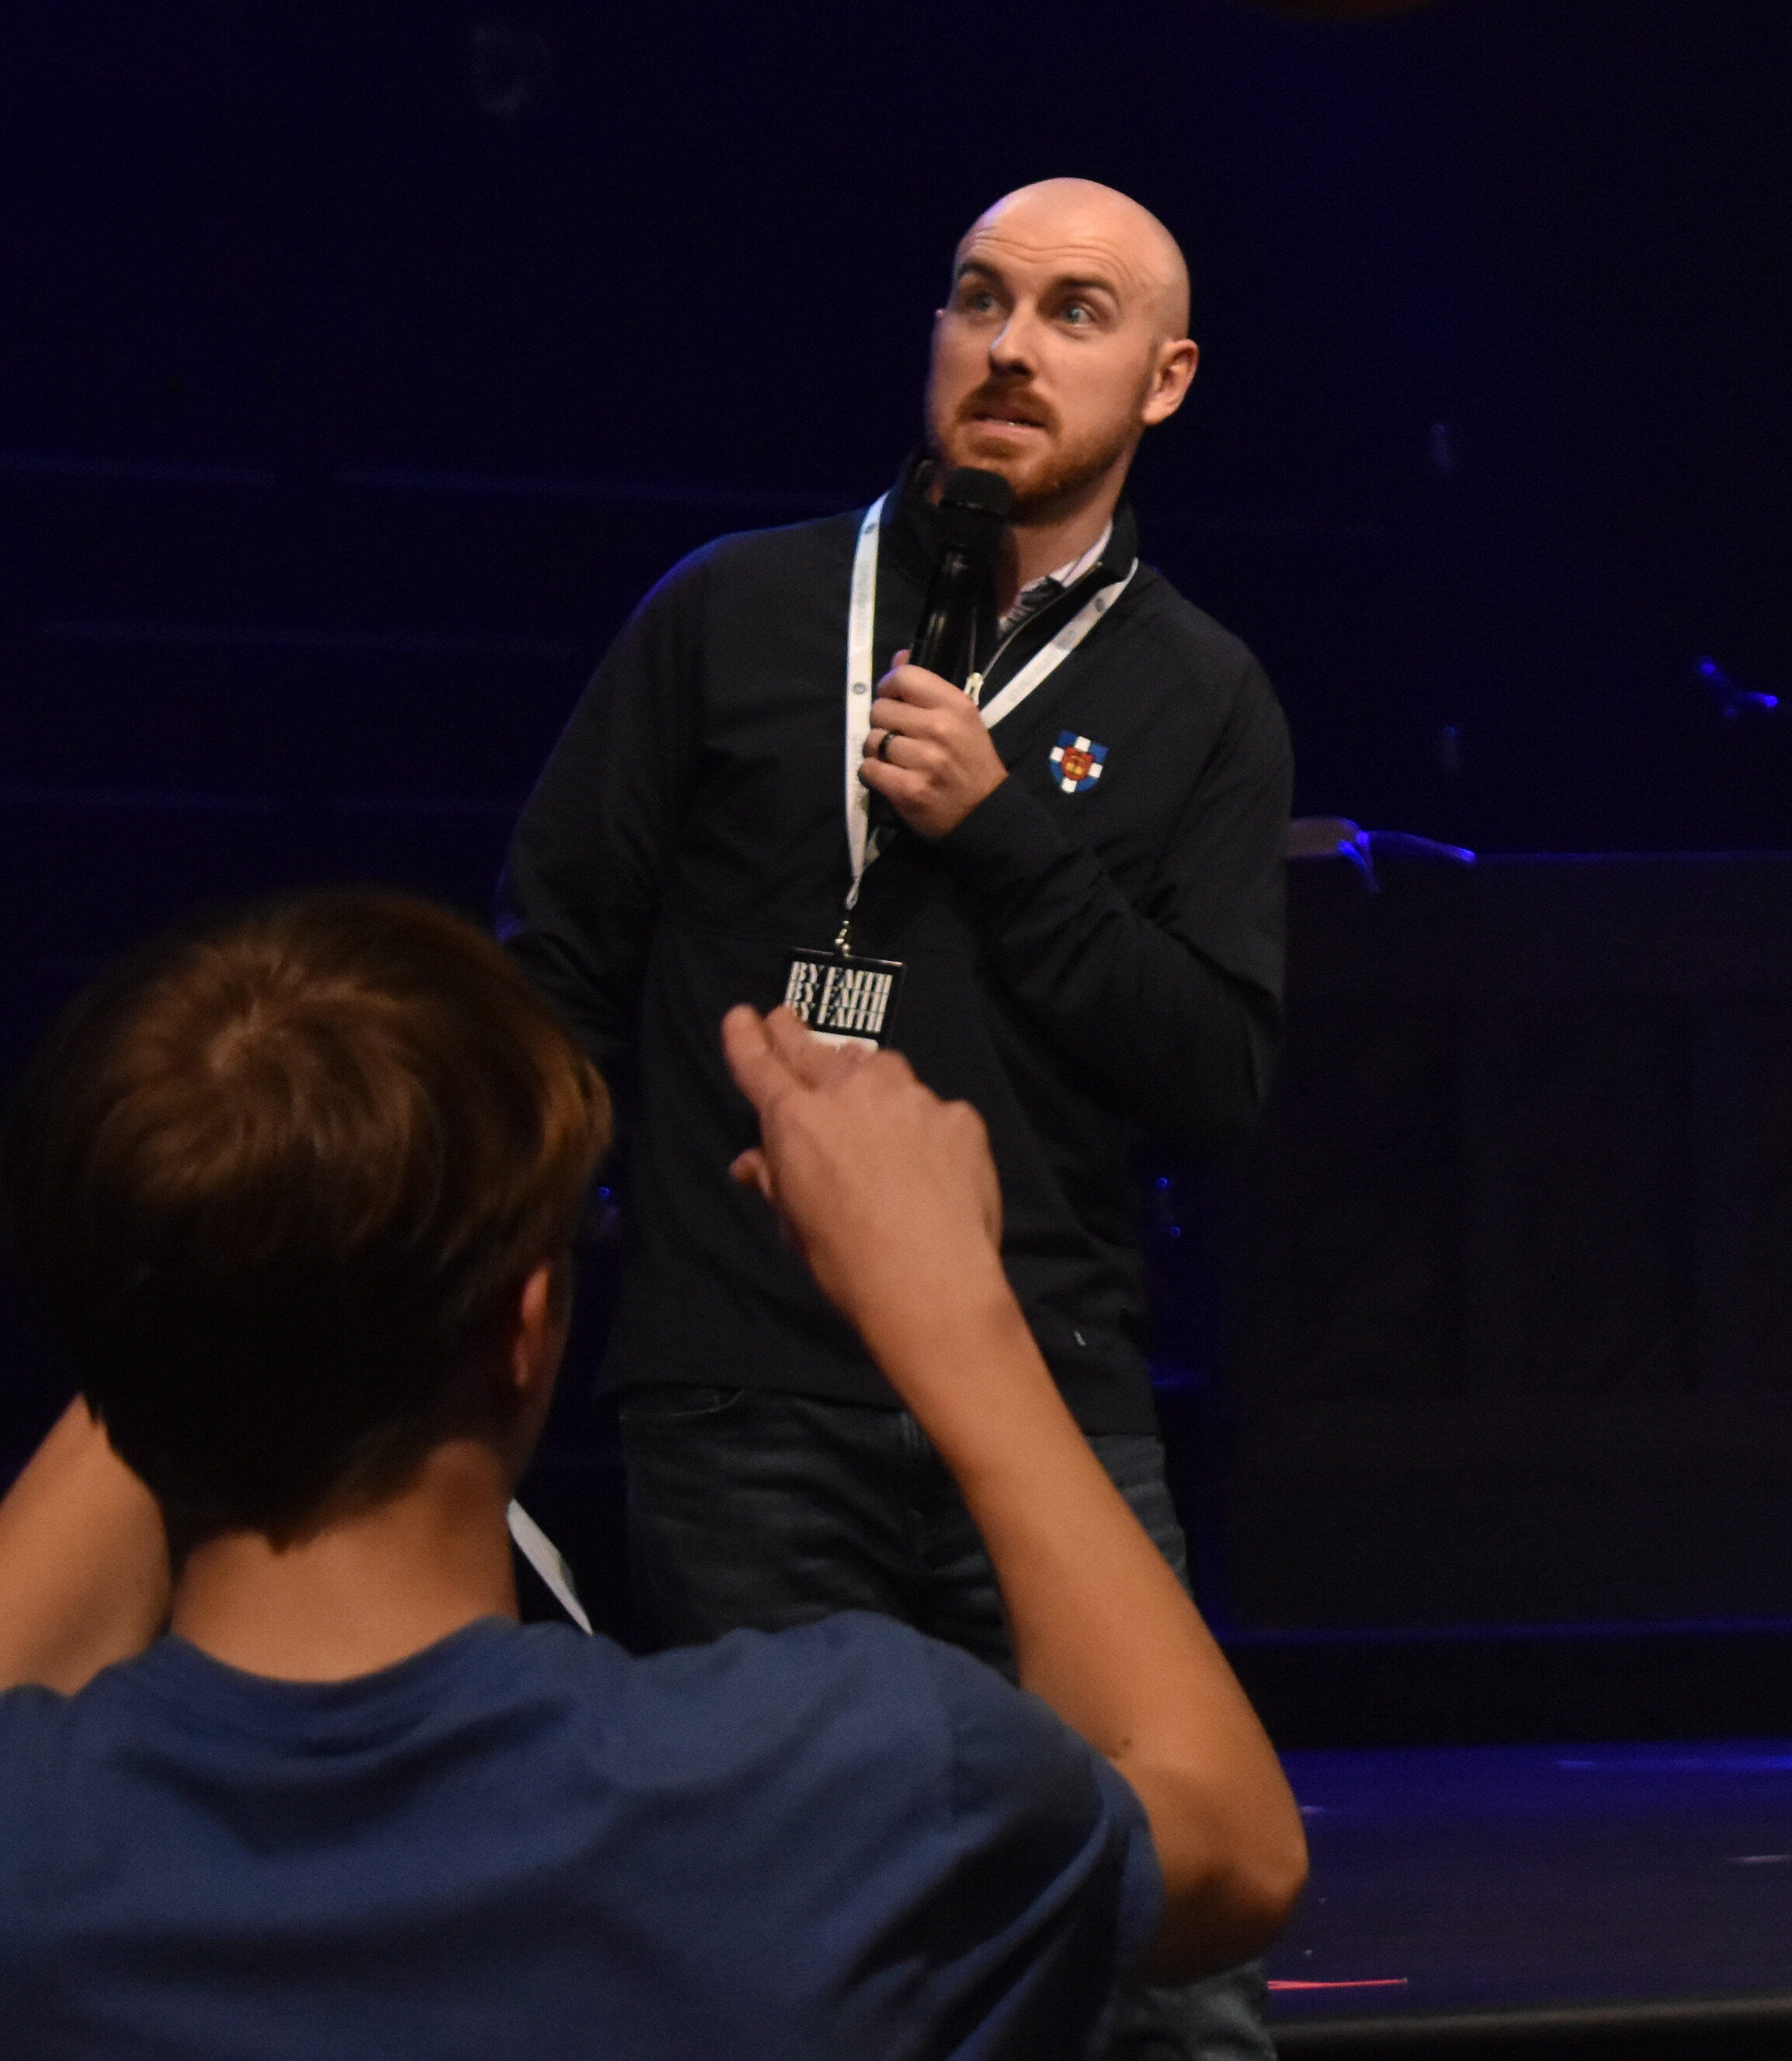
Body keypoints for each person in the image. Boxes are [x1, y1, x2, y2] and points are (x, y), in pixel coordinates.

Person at [0, 888, 1305, 2051]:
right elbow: (1232, 1842)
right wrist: (952, 1305)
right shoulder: (843, 1781)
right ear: (525, 1327)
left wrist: (214, 1266)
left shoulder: (36, 1851)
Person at [495, 176, 1293, 2056]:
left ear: (1167, 377)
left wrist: (1006, 830)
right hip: (744, 1397)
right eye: (977, 298)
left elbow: (1215, 1077)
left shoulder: (1202, 692)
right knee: (796, 1965)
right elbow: (549, 966)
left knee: (1166, 1986)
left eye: (1075, 312)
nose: (1010, 346)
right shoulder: (734, 608)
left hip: (1052, 1400)